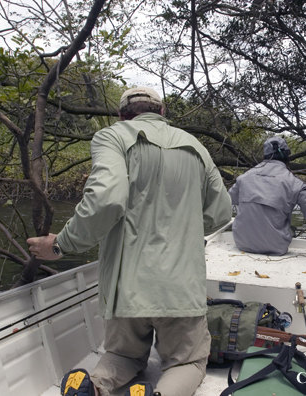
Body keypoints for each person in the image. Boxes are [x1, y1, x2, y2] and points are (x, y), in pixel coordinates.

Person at [27, 87, 232, 396]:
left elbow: (105, 200)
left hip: (127, 291)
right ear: (162, 114)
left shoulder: (113, 136)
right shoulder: (197, 148)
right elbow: (221, 213)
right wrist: (184, 224)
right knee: (186, 364)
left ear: (122, 115)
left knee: (122, 355)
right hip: (180, 290)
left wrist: (60, 245)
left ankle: (93, 388)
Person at [228, 136, 306, 256]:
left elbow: (227, 201)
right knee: (291, 228)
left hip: (242, 244)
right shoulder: (295, 183)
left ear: (264, 156)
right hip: (275, 247)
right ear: (288, 156)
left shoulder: (243, 178)